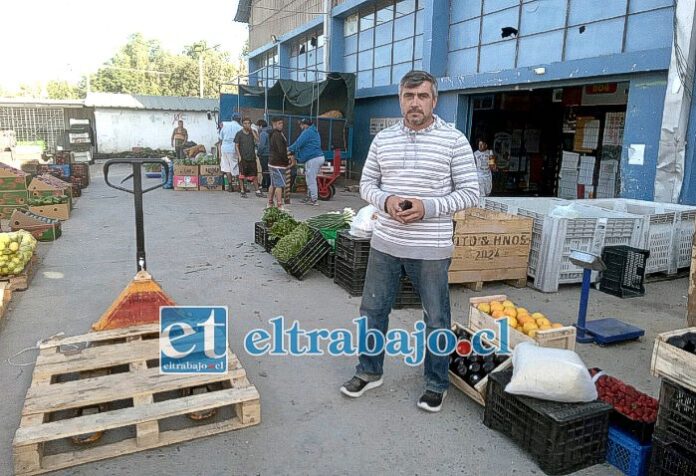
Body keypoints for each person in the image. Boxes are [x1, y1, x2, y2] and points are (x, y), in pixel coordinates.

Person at [339, 70, 480, 413]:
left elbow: (471, 192)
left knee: (436, 318)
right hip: (386, 242)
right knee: (373, 309)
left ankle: (436, 382)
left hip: (431, 248)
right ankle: (369, 371)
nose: (415, 103)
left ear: (435, 100)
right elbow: (367, 183)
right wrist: (385, 202)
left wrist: (428, 207)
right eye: (408, 96)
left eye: (422, 96)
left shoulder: (454, 140)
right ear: (399, 99)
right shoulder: (384, 140)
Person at [288, 118, 324, 206]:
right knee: (309, 178)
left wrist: (289, 149)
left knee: (311, 179)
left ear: (305, 125)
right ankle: (309, 197)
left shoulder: (308, 132)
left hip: (313, 158)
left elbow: (298, 143)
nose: (300, 127)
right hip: (316, 157)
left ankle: (314, 199)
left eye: (301, 125)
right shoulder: (314, 131)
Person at [267, 117, 294, 209]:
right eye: (279, 123)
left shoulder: (275, 134)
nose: (281, 125)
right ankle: (279, 204)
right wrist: (287, 161)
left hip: (273, 162)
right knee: (279, 184)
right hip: (277, 163)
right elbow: (281, 150)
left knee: (273, 184)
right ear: (273, 124)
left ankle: (270, 203)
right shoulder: (277, 135)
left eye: (282, 123)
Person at [234, 118, 264, 198]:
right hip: (243, 157)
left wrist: (252, 131)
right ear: (242, 124)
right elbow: (236, 145)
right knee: (242, 175)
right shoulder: (239, 134)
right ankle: (242, 191)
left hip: (251, 157)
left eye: (248, 123)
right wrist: (239, 156)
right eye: (245, 123)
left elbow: (258, 140)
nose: (247, 125)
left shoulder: (252, 133)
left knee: (254, 175)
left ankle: (257, 191)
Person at [219, 113, 243, 192]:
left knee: (227, 168)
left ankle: (230, 186)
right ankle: (238, 186)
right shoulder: (240, 128)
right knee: (235, 167)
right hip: (233, 149)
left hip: (224, 148)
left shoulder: (225, 126)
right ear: (239, 119)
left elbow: (220, 139)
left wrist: (220, 152)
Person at [256, 119, 271, 191]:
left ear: (261, 126)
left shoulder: (263, 133)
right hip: (270, 154)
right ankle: (267, 184)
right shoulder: (269, 131)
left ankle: (266, 186)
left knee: (265, 170)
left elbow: (262, 145)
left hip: (264, 154)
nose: (257, 128)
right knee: (268, 170)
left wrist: (258, 153)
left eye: (258, 126)